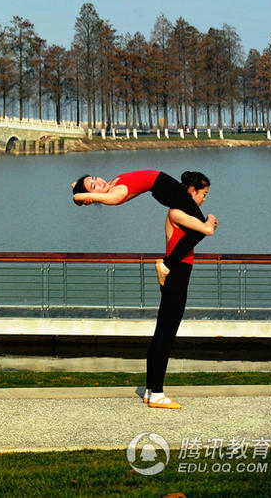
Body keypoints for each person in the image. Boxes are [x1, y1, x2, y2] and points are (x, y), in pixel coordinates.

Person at [71, 170, 218, 284]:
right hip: (163, 187)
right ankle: (167, 265)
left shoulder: (111, 185)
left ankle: (169, 264)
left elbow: (77, 191)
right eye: (93, 186)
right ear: (91, 195)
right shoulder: (114, 195)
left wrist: (77, 187)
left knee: (197, 227)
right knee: (202, 227)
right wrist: (79, 196)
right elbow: (77, 197)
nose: (99, 183)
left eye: (96, 179)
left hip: (161, 186)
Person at [145, 172, 215, 410]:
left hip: (176, 275)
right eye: (203, 194)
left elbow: (200, 232)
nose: (205, 199)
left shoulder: (179, 213)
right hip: (177, 277)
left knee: (161, 333)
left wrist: (207, 224)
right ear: (192, 191)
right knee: (166, 335)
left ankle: (150, 389)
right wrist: (211, 221)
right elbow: (206, 230)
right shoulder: (177, 213)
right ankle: (157, 393)